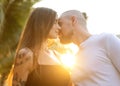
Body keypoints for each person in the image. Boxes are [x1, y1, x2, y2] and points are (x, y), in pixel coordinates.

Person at [5, 7, 73, 86]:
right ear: (42, 23)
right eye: (55, 22)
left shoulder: (57, 55)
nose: (59, 27)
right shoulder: (26, 54)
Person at [58, 10, 120, 86]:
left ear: (73, 20)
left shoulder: (106, 39)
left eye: (60, 24)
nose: (58, 28)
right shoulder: (76, 58)